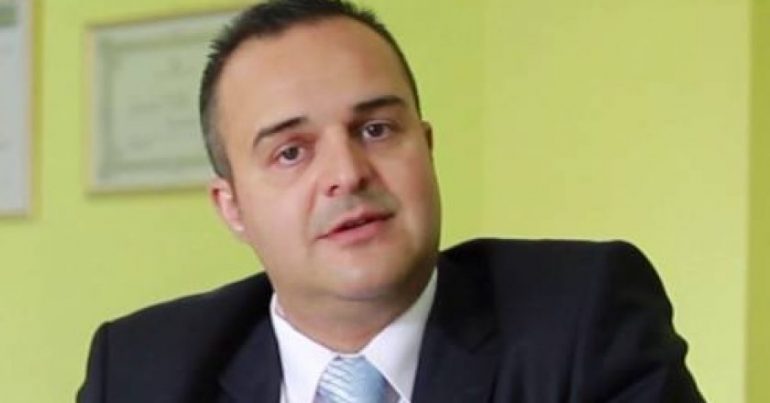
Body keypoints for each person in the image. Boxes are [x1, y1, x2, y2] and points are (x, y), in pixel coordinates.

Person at [78, 0, 704, 402]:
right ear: (232, 207)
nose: (347, 174)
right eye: (291, 152)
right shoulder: (140, 373)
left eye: (376, 130)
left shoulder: (581, 318)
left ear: (425, 148)